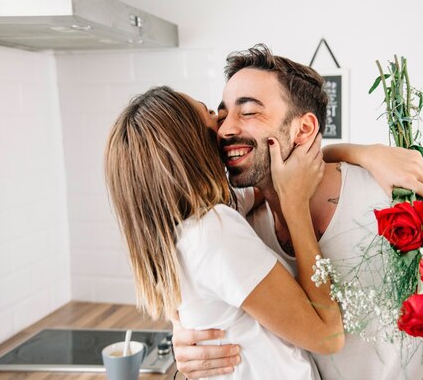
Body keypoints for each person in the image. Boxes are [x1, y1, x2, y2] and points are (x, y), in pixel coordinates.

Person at [172, 44, 423, 380]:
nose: (225, 129)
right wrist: (185, 340)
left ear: (304, 129)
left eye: (248, 112)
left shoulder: (397, 201)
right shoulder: (240, 232)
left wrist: (365, 155)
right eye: (222, 115)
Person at [104, 86, 345, 380]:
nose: (222, 122)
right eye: (209, 113)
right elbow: (328, 338)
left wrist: (359, 154)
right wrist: (295, 210)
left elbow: (272, 180)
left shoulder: (187, 226)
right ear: (190, 142)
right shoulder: (213, 231)